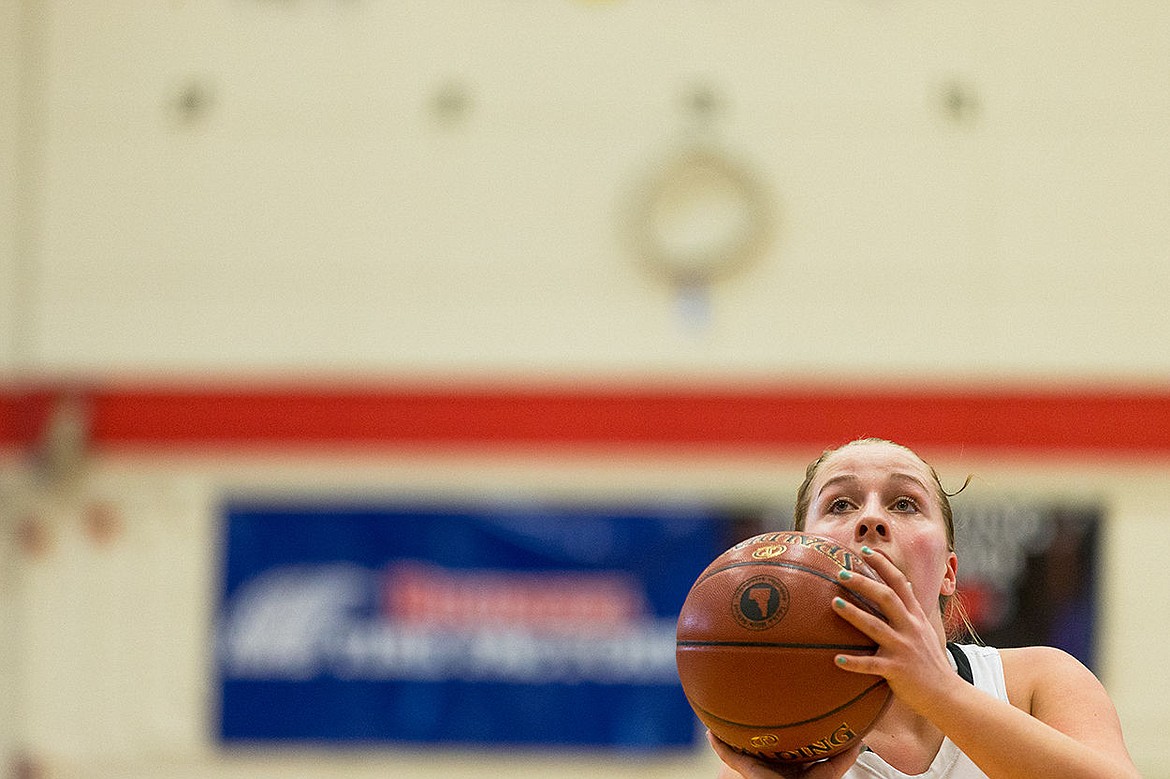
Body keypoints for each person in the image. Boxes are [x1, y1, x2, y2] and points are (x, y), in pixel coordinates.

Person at [709, 437, 1139, 779]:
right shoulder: (780, 738)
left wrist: (940, 692)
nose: (871, 520)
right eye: (841, 504)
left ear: (950, 572)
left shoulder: (1039, 683)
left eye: (904, 504)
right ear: (798, 556)